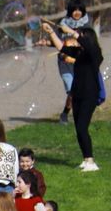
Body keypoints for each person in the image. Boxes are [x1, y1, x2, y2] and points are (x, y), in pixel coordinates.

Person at [42, 22, 103, 171]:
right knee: (78, 128)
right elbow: (61, 47)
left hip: (90, 94)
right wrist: (51, 32)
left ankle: (91, 162)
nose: (77, 38)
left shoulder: (94, 53)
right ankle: (85, 159)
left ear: (88, 37)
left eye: (80, 35)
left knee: (82, 127)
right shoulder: (80, 53)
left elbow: (88, 45)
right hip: (77, 93)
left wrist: (70, 30)